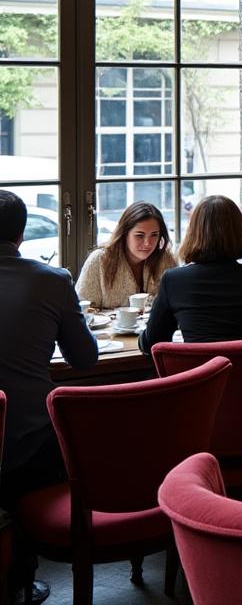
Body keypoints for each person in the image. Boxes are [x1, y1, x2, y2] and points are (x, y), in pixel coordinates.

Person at [0, 191, 97, 605]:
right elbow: (84, 359)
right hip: (28, 434)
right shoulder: (52, 281)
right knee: (44, 436)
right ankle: (21, 577)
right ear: (22, 235)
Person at [139, 196, 242, 352]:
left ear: (193, 232)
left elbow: (152, 343)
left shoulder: (174, 280)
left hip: (198, 374)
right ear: (239, 232)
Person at [74, 201, 178, 310]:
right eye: (140, 235)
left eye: (154, 235)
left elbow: (176, 303)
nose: (148, 243)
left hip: (155, 327)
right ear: (124, 234)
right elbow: (81, 310)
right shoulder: (99, 260)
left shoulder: (166, 260)